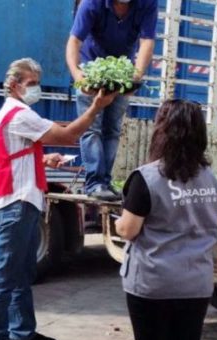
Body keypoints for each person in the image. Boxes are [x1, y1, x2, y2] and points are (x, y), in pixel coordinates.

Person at [0, 58, 117, 340]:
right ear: (15, 85)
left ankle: (21, 330)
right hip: (16, 202)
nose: (36, 88)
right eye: (31, 83)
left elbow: (11, 155)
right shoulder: (19, 114)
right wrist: (95, 108)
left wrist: (43, 159)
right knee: (5, 273)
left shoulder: (7, 116)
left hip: (18, 200)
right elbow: (68, 135)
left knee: (21, 271)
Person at [114, 99, 217, 340]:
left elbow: (129, 230)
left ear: (162, 131)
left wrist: (118, 220)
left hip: (152, 284)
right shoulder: (210, 178)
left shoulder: (146, 178)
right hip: (196, 284)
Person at [66, 0, 159, 201]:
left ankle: (104, 182)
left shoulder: (147, 3)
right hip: (92, 70)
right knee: (92, 128)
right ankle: (94, 183)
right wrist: (78, 77)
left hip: (121, 72)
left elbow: (147, 42)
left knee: (113, 130)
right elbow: (74, 41)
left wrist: (135, 76)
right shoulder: (92, 3)